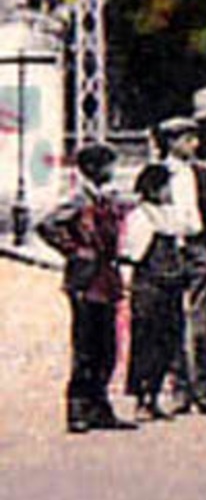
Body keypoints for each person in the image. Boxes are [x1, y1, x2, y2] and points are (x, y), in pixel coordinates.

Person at [37, 143, 136, 433]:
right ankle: (78, 409)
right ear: (93, 168)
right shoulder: (78, 198)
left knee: (107, 346)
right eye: (108, 166)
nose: (112, 171)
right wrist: (74, 250)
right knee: (86, 346)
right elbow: (47, 225)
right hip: (86, 278)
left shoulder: (103, 197)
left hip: (106, 275)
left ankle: (100, 406)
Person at [154, 115, 206, 415]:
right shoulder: (156, 173)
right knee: (171, 321)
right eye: (188, 139)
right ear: (171, 142)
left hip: (198, 247)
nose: (194, 145)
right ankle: (179, 388)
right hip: (168, 248)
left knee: (204, 324)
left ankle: (205, 390)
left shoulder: (205, 174)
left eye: (195, 139)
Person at [123, 163, 188, 422]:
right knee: (146, 341)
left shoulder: (168, 215)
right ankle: (142, 398)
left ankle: (155, 395)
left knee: (167, 340)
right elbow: (134, 254)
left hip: (170, 285)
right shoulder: (141, 216)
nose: (169, 191)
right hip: (149, 285)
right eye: (165, 187)